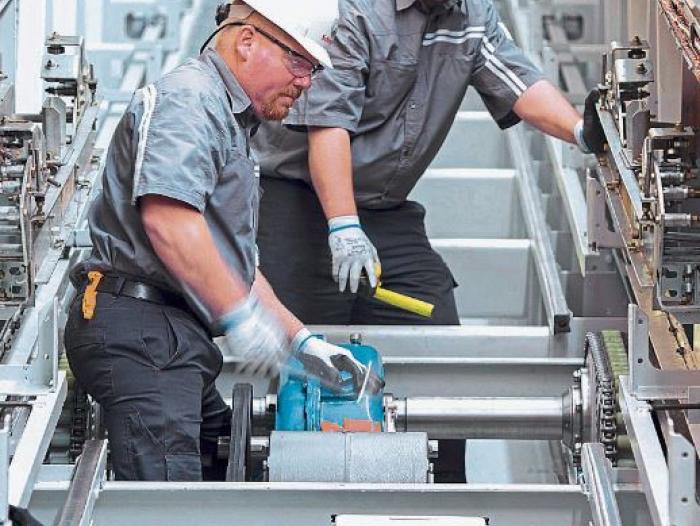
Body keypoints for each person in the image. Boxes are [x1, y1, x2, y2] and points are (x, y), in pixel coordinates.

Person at [252, 0, 606, 482]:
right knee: (306, 349)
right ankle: (292, 491)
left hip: (385, 208)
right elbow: (328, 128)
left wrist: (581, 131)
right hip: (301, 200)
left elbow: (519, 81)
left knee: (437, 336)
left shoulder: (471, 14)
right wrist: (343, 227)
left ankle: (443, 494)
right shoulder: (353, 11)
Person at [63, 0, 382, 482]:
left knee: (222, 463)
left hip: (170, 334)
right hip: (141, 331)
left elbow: (231, 264)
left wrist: (301, 342)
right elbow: (169, 223)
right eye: (299, 61)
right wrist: (238, 316)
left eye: (313, 68)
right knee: (167, 506)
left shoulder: (228, 122)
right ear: (248, 40)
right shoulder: (190, 101)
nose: (307, 82)